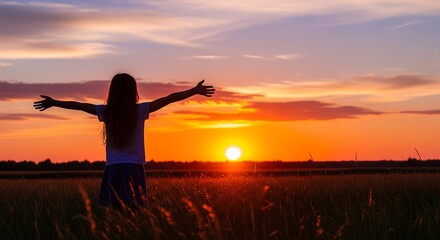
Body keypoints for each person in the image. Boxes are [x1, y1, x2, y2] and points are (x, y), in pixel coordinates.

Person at [33, 73, 215, 208]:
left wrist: (54, 102)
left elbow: (79, 106)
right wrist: (194, 90)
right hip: (133, 168)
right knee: (134, 212)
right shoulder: (140, 110)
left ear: (112, 91)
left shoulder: (106, 112)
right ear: (133, 91)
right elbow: (169, 99)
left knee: (111, 212)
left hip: (112, 169)